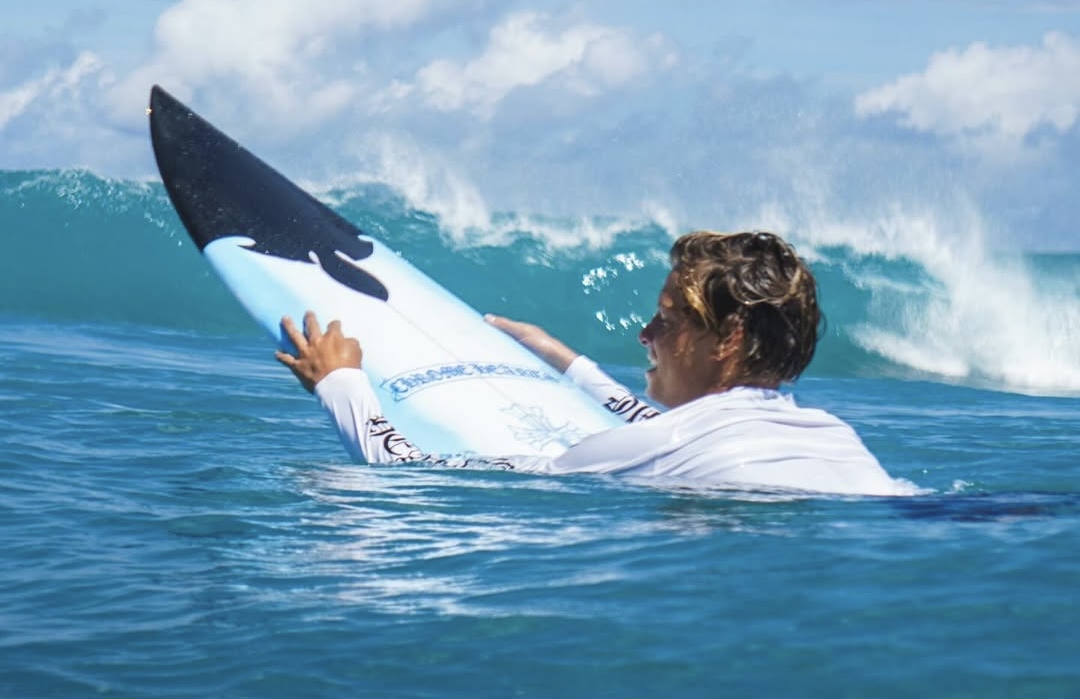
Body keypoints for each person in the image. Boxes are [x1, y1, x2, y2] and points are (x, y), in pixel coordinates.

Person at [277, 230, 909, 496]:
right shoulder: (834, 437)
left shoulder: (661, 447)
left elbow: (422, 469)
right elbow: (661, 436)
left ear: (730, 339)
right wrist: (568, 364)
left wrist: (340, 384)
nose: (645, 334)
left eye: (666, 320)